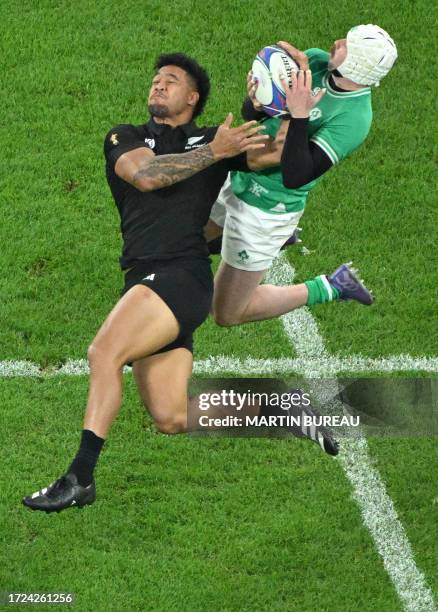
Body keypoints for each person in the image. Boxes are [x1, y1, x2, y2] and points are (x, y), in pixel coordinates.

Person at [22, 52, 269, 513]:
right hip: (146, 280)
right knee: (172, 416)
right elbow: (146, 176)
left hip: (179, 276)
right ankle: (277, 407)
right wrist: (215, 152)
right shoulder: (128, 136)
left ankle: (80, 477)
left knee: (103, 353)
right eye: (156, 80)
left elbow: (280, 162)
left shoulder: (216, 139)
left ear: (192, 98)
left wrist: (277, 111)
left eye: (171, 81)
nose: (158, 85)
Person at [207, 25, 397, 327]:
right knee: (186, 241)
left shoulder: (355, 119)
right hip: (238, 171)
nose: (336, 42)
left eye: (346, 45)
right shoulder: (314, 62)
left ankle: (332, 286)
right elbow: (253, 115)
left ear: (357, 65)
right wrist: (256, 101)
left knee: (226, 313)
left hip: (267, 208)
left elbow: (297, 175)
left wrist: (299, 114)